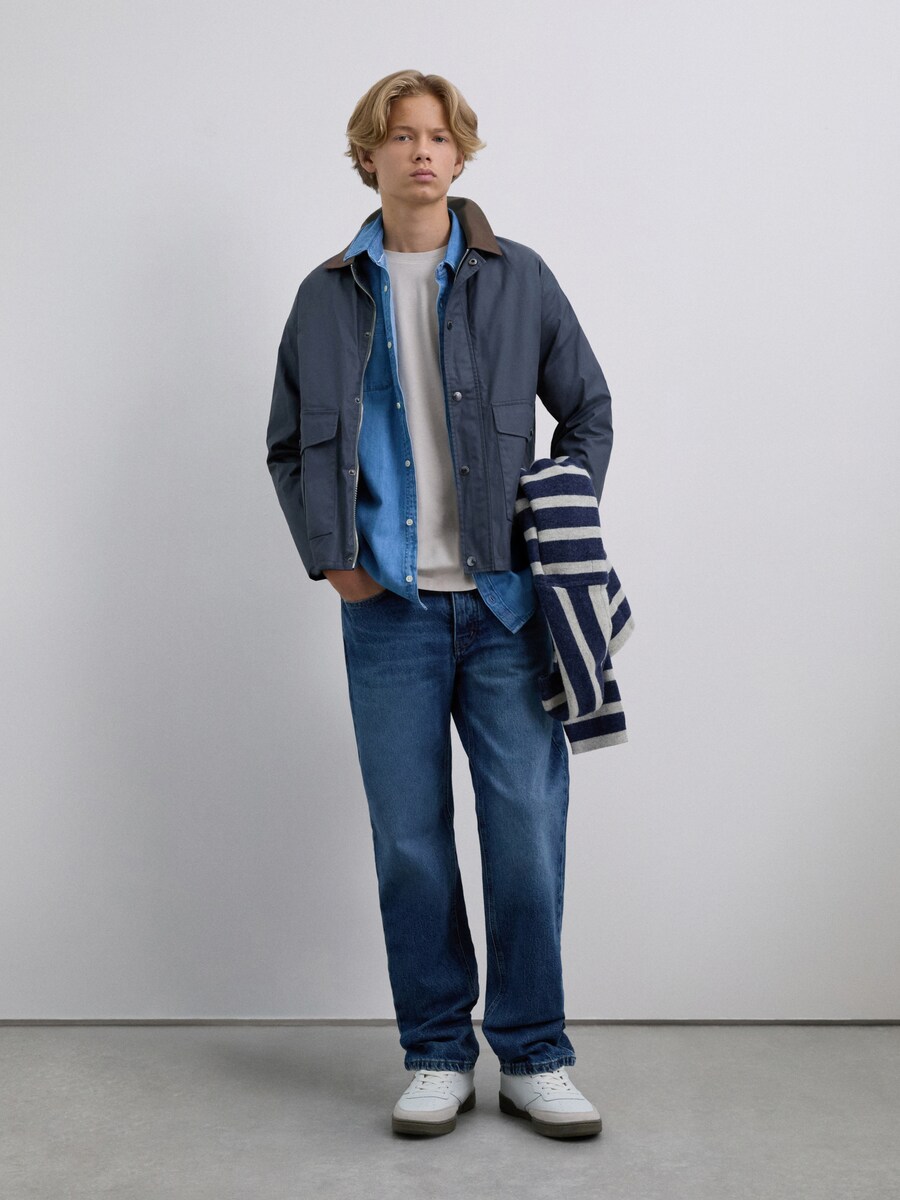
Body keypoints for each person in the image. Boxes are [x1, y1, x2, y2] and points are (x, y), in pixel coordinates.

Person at [266, 69, 613, 1139]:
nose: (420, 151)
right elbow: (287, 446)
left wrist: (560, 521)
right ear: (367, 155)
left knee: (525, 836)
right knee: (410, 843)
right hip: (388, 616)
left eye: (437, 136)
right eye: (399, 135)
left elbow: (589, 412)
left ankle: (536, 1053)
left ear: (460, 156)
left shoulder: (520, 278)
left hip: (508, 609)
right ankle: (435, 1053)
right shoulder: (326, 296)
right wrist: (334, 560)